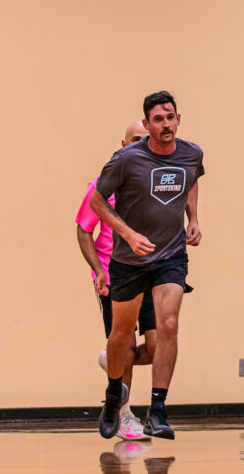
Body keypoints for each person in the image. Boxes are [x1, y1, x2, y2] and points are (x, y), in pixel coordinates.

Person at [90, 91, 203, 440]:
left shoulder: (191, 153)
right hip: (129, 259)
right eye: (158, 119)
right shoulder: (127, 159)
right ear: (147, 124)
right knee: (121, 335)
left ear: (178, 119)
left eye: (170, 117)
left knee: (169, 324)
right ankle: (114, 395)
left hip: (170, 255)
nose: (165, 124)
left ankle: (158, 410)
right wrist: (127, 233)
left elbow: (192, 179)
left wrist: (194, 219)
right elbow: (97, 201)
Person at [75, 122, 154, 441]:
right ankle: (124, 415)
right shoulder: (103, 184)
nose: (141, 145)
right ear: (123, 144)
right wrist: (98, 270)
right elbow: (84, 230)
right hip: (114, 275)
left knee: (158, 347)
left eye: (146, 141)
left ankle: (113, 360)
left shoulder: (153, 183)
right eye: (136, 140)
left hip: (149, 272)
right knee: (125, 343)